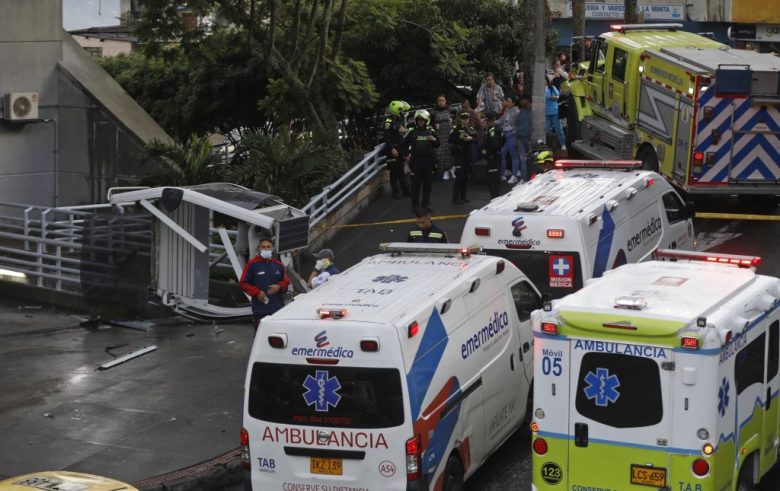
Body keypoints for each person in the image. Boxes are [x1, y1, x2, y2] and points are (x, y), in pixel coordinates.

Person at [239, 238, 289, 330]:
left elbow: (286, 282)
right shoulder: (252, 264)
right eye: (263, 247)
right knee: (260, 337)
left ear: (272, 248)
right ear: (259, 248)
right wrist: (257, 292)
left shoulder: (278, 265)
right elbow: (243, 283)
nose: (266, 249)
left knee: (277, 336)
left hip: (278, 309)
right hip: (260, 309)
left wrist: (279, 286)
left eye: (268, 247)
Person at [402, 109, 439, 213]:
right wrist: (406, 155)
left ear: (426, 120)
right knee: (415, 185)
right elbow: (404, 144)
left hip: (428, 161)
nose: (420, 122)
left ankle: (425, 204)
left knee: (428, 185)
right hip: (416, 161)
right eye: (419, 120)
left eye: (422, 120)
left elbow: (438, 144)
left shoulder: (431, 131)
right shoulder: (412, 132)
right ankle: (415, 205)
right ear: (416, 120)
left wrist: (433, 139)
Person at [383, 100, 412, 199]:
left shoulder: (398, 119)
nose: (402, 112)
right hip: (392, 149)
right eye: (400, 110)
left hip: (400, 147)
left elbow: (401, 133)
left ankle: (406, 191)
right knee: (393, 172)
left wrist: (405, 131)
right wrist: (392, 149)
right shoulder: (388, 121)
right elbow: (386, 138)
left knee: (400, 170)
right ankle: (395, 193)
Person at [449, 112, 477, 204]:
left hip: (467, 155)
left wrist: (471, 139)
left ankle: (463, 196)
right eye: (463, 118)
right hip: (458, 154)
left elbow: (477, 140)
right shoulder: (456, 129)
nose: (465, 120)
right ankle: (455, 198)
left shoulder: (471, 129)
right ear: (460, 119)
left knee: (465, 176)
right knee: (459, 176)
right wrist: (459, 137)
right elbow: (450, 140)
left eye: (466, 118)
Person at [494, 95, 521, 184]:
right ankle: (507, 171)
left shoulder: (517, 112)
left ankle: (514, 176)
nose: (506, 102)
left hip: (512, 136)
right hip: (506, 135)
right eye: (507, 101)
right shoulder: (506, 110)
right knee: (502, 153)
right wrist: (491, 123)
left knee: (514, 156)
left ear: (513, 103)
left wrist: (514, 134)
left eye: (508, 101)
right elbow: (501, 121)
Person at [431, 94, 454, 181]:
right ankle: (445, 171)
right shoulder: (434, 111)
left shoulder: (449, 109)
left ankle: (451, 169)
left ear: (445, 101)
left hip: (448, 133)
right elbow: (430, 123)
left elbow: (456, 117)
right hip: (439, 134)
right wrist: (434, 126)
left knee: (449, 151)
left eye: (442, 100)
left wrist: (452, 123)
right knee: (439, 153)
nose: (441, 102)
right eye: (439, 101)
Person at [481, 116, 502, 199]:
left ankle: (494, 198)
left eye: (489, 120)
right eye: (487, 121)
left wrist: (487, 151)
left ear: (493, 121)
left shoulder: (492, 130)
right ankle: (495, 197)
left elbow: (494, 144)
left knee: (492, 180)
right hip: (494, 157)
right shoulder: (492, 129)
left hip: (493, 157)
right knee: (493, 179)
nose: (487, 122)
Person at [545, 77, 567, 151]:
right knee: (547, 130)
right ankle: (553, 139)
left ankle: (563, 144)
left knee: (559, 129)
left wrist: (555, 97)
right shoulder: (539, 90)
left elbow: (559, 97)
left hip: (555, 111)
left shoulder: (552, 88)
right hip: (546, 112)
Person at [516, 94, 533, 182]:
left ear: (527, 100)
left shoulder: (534, 110)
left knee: (531, 159)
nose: (521, 101)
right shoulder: (521, 111)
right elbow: (517, 123)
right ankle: (524, 179)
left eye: (522, 100)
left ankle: (530, 179)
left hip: (530, 138)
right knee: (522, 160)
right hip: (521, 138)